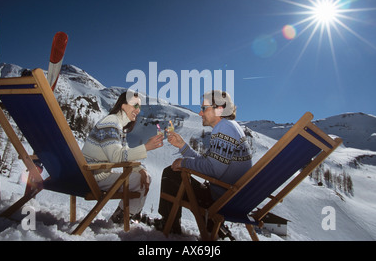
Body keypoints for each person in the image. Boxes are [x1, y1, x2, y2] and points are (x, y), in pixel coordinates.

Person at [156, 90, 252, 237]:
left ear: (219, 109)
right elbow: (206, 162)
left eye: (203, 109)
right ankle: (211, 224)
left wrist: (184, 163)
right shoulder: (230, 127)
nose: (200, 114)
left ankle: (170, 225)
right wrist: (182, 146)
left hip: (219, 201)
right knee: (177, 172)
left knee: (171, 174)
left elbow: (212, 169)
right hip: (230, 198)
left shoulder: (224, 128)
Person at [82, 91, 164, 224]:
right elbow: (117, 156)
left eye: (139, 107)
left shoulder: (118, 125)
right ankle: (124, 217)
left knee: (143, 176)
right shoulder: (111, 122)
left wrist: (140, 168)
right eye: (134, 105)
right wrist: (146, 147)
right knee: (141, 181)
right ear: (123, 105)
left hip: (95, 173)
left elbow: (124, 154)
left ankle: (129, 214)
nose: (138, 110)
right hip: (94, 176)